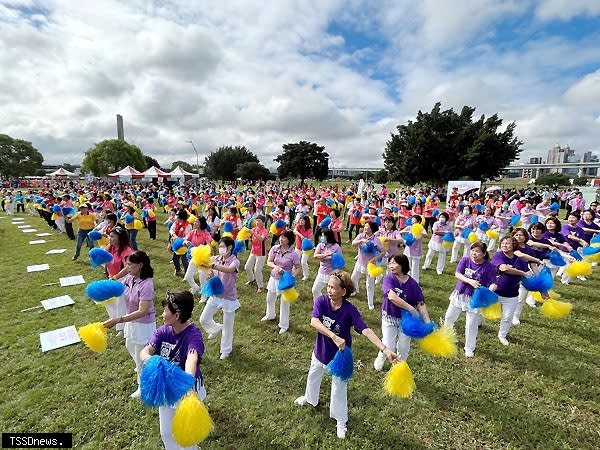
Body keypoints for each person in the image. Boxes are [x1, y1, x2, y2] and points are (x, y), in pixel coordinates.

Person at [294, 270, 399, 439]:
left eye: (333, 288)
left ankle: (340, 420)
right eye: (328, 286)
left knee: (338, 390)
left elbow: (365, 330)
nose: (328, 290)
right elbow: (314, 321)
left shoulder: (350, 310)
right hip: (320, 352)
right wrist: (334, 336)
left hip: (339, 359)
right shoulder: (322, 301)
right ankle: (310, 399)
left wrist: (385, 350)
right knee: (313, 376)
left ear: (343, 291)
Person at [140, 291, 206, 450]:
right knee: (166, 433)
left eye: (165, 311)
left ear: (177, 315)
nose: (162, 314)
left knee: (187, 436)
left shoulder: (193, 335)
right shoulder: (163, 331)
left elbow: (192, 358)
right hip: (167, 387)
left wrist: (187, 383)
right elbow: (145, 352)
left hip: (187, 390)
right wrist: (155, 361)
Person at [104, 251, 156, 398]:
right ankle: (148, 367)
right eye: (126, 264)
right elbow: (117, 289)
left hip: (143, 325)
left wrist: (118, 320)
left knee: (141, 355)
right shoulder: (130, 278)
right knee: (130, 346)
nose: (127, 267)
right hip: (131, 321)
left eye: (129, 265)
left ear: (140, 265)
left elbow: (143, 311)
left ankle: (143, 386)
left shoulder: (146, 284)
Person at [374, 254, 430, 370]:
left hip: (406, 321)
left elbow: (421, 303)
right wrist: (410, 308)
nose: (391, 266)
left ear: (403, 265)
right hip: (389, 317)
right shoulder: (389, 278)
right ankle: (382, 356)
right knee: (389, 344)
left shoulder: (413, 284)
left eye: (394, 263)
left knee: (404, 347)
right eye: (390, 263)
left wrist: (428, 323)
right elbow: (392, 297)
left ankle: (399, 367)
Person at [444, 242, 498, 357]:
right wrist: (470, 281)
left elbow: (494, 283)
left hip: (475, 299)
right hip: (460, 294)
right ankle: (448, 337)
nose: (474, 253)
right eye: (473, 250)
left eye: (478, 251)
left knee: (471, 324)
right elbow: (457, 274)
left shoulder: (489, 267)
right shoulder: (465, 260)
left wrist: (487, 293)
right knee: (449, 317)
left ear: (484, 254)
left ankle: (469, 348)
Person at [198, 237, 240, 359]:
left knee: (228, 325)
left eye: (222, 246)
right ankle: (216, 328)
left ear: (230, 247)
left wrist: (213, 266)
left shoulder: (235, 261)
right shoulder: (216, 258)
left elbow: (229, 270)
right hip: (216, 294)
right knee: (203, 319)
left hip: (228, 297)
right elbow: (205, 264)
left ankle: (226, 350)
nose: (220, 249)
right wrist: (208, 270)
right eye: (219, 246)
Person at [491, 237, 530, 346]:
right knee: (482, 311)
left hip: (512, 294)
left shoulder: (520, 261)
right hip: (495, 291)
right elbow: (504, 268)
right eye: (502, 243)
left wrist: (542, 291)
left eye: (507, 243)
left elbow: (528, 277)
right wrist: (521, 272)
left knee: (507, 317)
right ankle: (478, 324)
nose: (504, 245)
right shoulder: (498, 255)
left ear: (514, 246)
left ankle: (502, 335)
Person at [263, 230, 301, 334]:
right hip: (273, 278)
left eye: (284, 238)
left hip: (285, 281)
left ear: (289, 240)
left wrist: (291, 277)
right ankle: (270, 315)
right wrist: (276, 267)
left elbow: (298, 268)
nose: (281, 239)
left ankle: (284, 325)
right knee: (270, 298)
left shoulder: (293, 254)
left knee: (284, 303)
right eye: (280, 237)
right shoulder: (274, 248)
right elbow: (269, 262)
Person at [104, 226, 133, 335]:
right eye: (109, 236)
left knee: (120, 303)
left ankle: (122, 327)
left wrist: (116, 277)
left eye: (112, 237)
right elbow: (103, 257)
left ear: (119, 238)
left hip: (123, 279)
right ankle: (114, 321)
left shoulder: (127, 250)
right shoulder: (109, 247)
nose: (109, 239)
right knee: (108, 301)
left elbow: (127, 268)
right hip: (112, 278)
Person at [350, 220, 384, 310]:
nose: (365, 228)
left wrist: (375, 259)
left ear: (372, 229)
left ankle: (370, 302)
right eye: (365, 226)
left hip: (370, 266)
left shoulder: (376, 240)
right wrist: (361, 241)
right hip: (359, 263)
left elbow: (383, 252)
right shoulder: (361, 235)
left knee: (369, 285)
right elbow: (353, 243)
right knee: (353, 278)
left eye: (367, 227)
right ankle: (354, 290)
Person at [183, 216, 213, 297]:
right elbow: (184, 240)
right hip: (194, 258)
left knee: (202, 278)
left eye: (197, 221)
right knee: (188, 276)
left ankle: (204, 296)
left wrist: (204, 247)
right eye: (195, 221)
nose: (194, 223)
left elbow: (209, 246)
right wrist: (186, 242)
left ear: (201, 224)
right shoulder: (192, 232)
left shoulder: (206, 234)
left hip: (204, 259)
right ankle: (195, 287)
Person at [311, 228, 344, 300]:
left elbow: (341, 263)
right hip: (321, 272)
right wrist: (325, 255)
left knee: (333, 294)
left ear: (328, 237)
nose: (321, 238)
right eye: (321, 236)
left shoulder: (336, 247)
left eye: (323, 236)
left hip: (332, 274)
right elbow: (315, 256)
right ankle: (319, 304)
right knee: (315, 290)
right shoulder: (320, 245)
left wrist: (335, 272)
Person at [244, 215, 269, 293]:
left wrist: (253, 233)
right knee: (247, 267)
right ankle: (252, 280)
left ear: (263, 222)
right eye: (256, 221)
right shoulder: (254, 229)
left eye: (259, 221)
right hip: (253, 251)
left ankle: (261, 287)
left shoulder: (265, 231)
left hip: (261, 253)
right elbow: (247, 234)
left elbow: (261, 239)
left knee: (257, 270)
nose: (257, 222)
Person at [170, 210, 192, 276]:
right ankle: (178, 270)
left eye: (179, 217)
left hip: (184, 244)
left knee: (184, 259)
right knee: (174, 258)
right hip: (176, 243)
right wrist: (174, 235)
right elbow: (171, 230)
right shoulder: (176, 223)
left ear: (182, 218)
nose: (177, 218)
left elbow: (188, 236)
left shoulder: (188, 225)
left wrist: (180, 240)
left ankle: (187, 274)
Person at [293, 215, 314, 281]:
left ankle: (306, 275)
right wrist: (301, 235)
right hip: (298, 247)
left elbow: (310, 238)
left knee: (303, 262)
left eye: (302, 220)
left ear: (306, 221)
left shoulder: (310, 230)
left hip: (306, 249)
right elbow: (295, 231)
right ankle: (293, 273)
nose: (301, 221)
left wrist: (306, 239)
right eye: (300, 220)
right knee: (295, 261)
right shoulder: (298, 226)